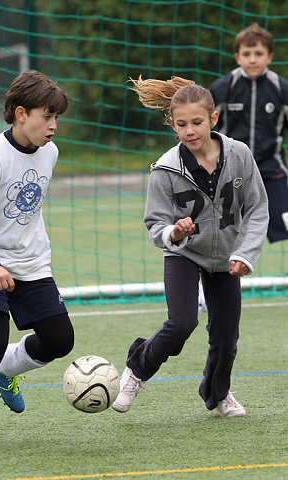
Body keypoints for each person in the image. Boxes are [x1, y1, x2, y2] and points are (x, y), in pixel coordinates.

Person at [112, 76, 269, 417]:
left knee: (226, 338)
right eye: (181, 124)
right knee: (182, 323)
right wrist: (174, 232)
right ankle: (137, 369)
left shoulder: (239, 155)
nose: (189, 130)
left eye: (197, 122)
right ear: (172, 124)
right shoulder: (165, 170)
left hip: (226, 257)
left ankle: (218, 393)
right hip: (183, 254)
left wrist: (245, 253)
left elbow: (257, 208)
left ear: (213, 119)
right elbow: (155, 225)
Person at [0, 70, 74, 451]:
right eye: (47, 116)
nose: (53, 126)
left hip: (31, 263)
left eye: (57, 118)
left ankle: (6, 372)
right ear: (22, 113)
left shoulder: (51, 152)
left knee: (60, 340)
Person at [209, 23, 288, 243]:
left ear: (270, 56)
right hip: (229, 174)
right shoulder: (223, 88)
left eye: (259, 54)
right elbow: (205, 128)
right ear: (237, 57)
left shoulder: (282, 89)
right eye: (247, 54)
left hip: (272, 173)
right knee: (218, 234)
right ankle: (210, 276)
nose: (253, 59)